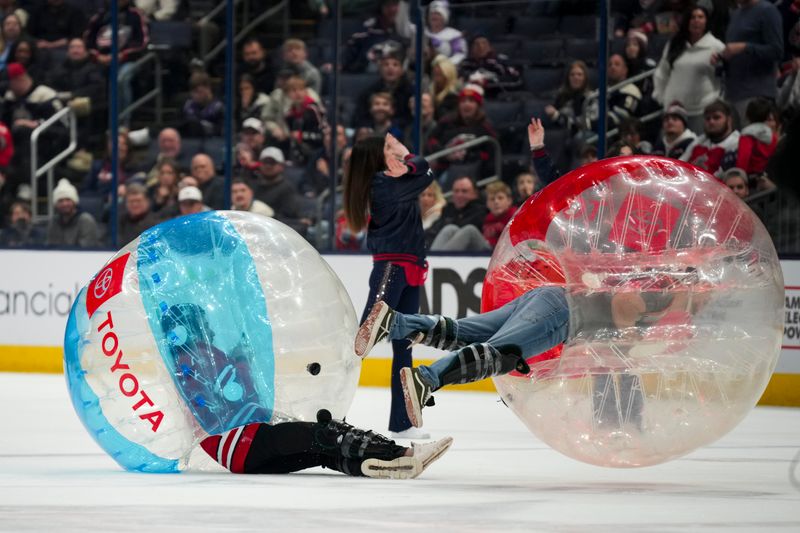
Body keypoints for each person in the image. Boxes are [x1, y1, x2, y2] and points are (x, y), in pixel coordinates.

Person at [356, 270, 707, 428]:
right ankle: (426, 380)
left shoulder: (663, 297)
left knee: (467, 334)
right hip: (563, 315)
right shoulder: (658, 292)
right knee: (499, 355)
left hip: (551, 302)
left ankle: (395, 323)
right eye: (706, 294)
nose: (706, 302)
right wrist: (638, 336)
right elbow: (620, 304)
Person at [158, 302, 451, 478]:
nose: (208, 327)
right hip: (245, 440)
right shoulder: (197, 356)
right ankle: (404, 454)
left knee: (322, 451)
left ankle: (382, 466)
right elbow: (238, 391)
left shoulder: (183, 362)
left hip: (237, 451)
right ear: (191, 328)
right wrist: (243, 358)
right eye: (202, 322)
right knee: (323, 434)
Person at [344, 133, 433, 438]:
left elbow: (424, 171)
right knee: (362, 341)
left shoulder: (396, 179)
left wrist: (409, 164)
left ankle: (401, 423)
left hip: (409, 270)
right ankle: (327, 401)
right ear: (376, 156)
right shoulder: (382, 183)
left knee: (404, 348)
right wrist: (408, 155)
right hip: (391, 271)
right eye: (388, 146)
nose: (394, 149)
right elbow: (427, 174)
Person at [653, 5, 725, 134]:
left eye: (700, 17)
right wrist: (662, 98)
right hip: (673, 113)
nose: (696, 20)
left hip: (702, 112)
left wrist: (716, 103)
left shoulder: (716, 46)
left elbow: (724, 78)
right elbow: (661, 73)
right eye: (692, 17)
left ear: (706, 21)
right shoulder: (674, 44)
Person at [714, 0, 783, 120]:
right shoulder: (736, 15)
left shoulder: (767, 11)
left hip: (756, 94)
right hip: (732, 94)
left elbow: (777, 51)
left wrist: (745, 47)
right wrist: (722, 56)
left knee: (754, 137)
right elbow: (735, 49)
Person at [680, 99, 740, 177]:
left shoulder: (737, 143)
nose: (711, 121)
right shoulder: (698, 142)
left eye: (716, 117)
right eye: (708, 118)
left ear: (729, 120)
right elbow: (680, 163)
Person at [428, 175, 488, 251]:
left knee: (455, 228)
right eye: (456, 191)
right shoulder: (448, 209)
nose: (459, 195)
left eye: (464, 191)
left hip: (472, 256)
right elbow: (432, 231)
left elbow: (462, 230)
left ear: (475, 193)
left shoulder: (481, 211)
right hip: (441, 248)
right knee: (449, 229)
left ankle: (435, 259)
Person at [46, 178, 99, 248]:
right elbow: (50, 248)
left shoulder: (86, 221)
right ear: (56, 204)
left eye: (68, 200)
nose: (64, 204)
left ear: (74, 201)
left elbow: (86, 250)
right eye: (60, 201)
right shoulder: (54, 222)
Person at [735, 97, 777, 179]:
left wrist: (739, 178)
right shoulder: (773, 136)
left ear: (747, 115)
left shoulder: (746, 136)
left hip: (752, 178)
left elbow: (743, 160)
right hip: (770, 176)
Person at [545, 60, 592, 134]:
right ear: (568, 78)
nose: (575, 77)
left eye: (579, 74)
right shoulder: (561, 96)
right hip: (561, 135)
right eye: (572, 74)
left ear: (585, 78)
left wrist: (556, 116)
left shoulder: (590, 98)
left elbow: (581, 125)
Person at [182, 72, 225, 138]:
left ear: (208, 89)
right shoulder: (187, 106)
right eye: (193, 92)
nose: (194, 95)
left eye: (198, 91)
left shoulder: (219, 108)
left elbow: (221, 132)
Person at [425, 1, 466, 65]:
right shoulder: (421, 31)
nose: (434, 16)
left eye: (438, 14)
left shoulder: (454, 35)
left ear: (444, 17)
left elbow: (460, 55)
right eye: (432, 13)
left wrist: (445, 65)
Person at [482, 182, 517, 249]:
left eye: (500, 198)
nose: (496, 202)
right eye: (492, 199)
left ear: (509, 201)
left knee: (470, 231)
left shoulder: (515, 216)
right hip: (487, 254)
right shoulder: (488, 218)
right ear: (487, 203)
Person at [429, 54, 459, 120]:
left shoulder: (453, 97)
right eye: (435, 74)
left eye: (439, 74)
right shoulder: (429, 92)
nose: (436, 78)